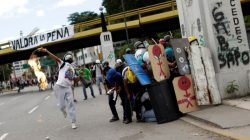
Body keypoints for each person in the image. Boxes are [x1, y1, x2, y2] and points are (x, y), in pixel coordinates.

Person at [39, 48, 78, 129]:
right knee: (61, 106)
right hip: (59, 87)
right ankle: (63, 110)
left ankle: (73, 122)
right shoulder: (62, 64)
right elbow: (55, 57)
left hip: (68, 88)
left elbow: (73, 79)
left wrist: (79, 77)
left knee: (71, 105)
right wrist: (46, 51)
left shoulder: (73, 69)